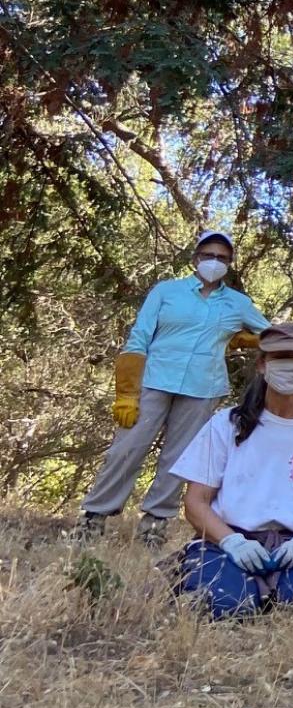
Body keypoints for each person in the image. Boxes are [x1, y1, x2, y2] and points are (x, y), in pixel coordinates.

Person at [75, 231, 270, 546]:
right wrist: (126, 392)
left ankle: (155, 523)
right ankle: (94, 517)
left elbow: (272, 335)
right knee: (127, 449)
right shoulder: (167, 291)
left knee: (179, 458)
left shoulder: (238, 304)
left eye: (222, 257)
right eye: (208, 255)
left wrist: (247, 339)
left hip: (203, 387)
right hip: (153, 380)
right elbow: (139, 337)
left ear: (230, 264)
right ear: (195, 259)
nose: (214, 262)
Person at [168, 323, 293, 619]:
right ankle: (192, 575)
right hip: (224, 541)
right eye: (283, 356)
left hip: (290, 544)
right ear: (262, 364)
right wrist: (230, 541)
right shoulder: (226, 425)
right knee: (225, 607)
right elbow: (195, 502)